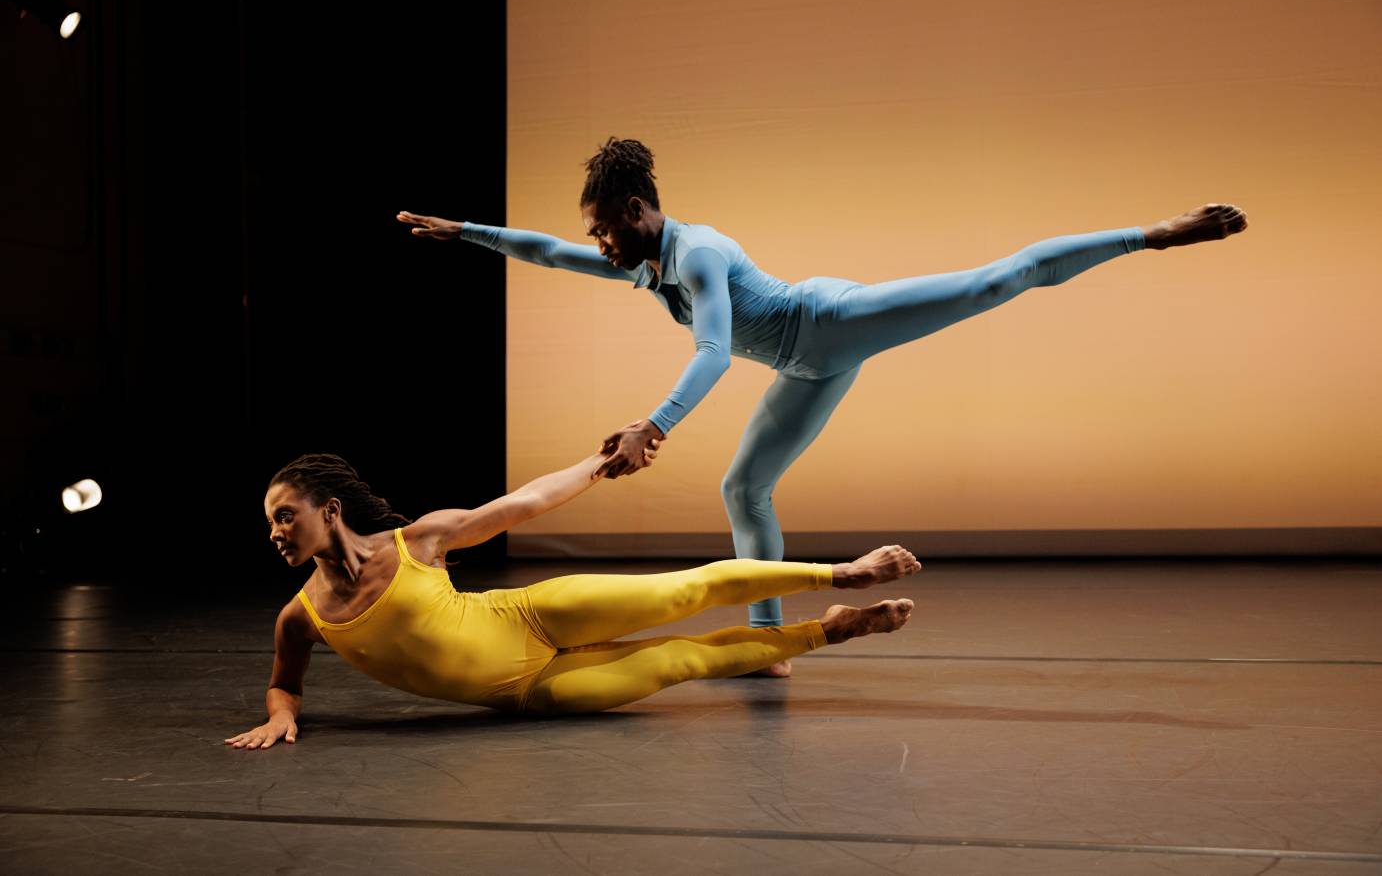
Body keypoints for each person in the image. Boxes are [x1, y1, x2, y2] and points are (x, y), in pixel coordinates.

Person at [397, 138, 1247, 675]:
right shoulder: (639, 260)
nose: (598, 244)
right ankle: (768, 643)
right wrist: (463, 231)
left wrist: (654, 425)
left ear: (634, 210)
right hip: (808, 372)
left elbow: (716, 352)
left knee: (998, 281)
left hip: (831, 322)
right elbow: (547, 252)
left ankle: (1152, 234)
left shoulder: (694, 256)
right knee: (745, 490)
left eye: (603, 228)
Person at [226, 450, 920, 749]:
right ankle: (832, 631)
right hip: (531, 688)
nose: (275, 531)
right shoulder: (302, 615)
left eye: (285, 514)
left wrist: (599, 463)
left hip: (531, 612)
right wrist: (279, 716)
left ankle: (841, 576)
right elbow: (284, 685)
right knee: (682, 662)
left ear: (330, 509)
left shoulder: (418, 541)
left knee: (684, 589)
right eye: (269, 521)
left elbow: (524, 502)